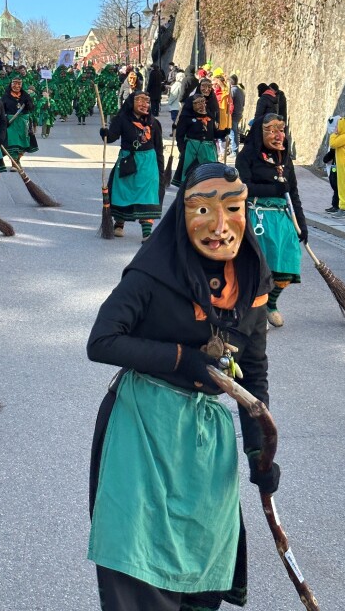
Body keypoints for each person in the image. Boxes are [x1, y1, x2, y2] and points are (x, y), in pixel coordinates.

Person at [87, 162, 276, 611]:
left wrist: (259, 451)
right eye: (202, 209)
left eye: (232, 209)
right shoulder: (153, 273)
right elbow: (102, 341)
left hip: (206, 443)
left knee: (202, 560)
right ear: (182, 213)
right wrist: (180, 359)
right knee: (138, 559)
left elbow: (254, 370)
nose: (219, 225)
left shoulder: (251, 281)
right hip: (142, 428)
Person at [236, 113, 307, 328]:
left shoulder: (285, 159)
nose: (278, 135)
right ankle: (255, 310)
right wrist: (273, 188)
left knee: (288, 265)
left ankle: (270, 303)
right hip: (256, 216)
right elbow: (243, 187)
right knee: (260, 268)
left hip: (282, 218)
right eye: (272, 130)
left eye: (281, 130)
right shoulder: (247, 156)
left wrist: (301, 223)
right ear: (260, 132)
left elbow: (292, 192)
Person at [101, 91, 164, 242]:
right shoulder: (122, 119)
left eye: (147, 101)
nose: (144, 104)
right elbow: (111, 138)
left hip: (148, 164)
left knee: (147, 195)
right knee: (122, 192)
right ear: (131, 103)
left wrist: (161, 170)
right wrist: (104, 133)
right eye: (140, 100)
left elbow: (158, 148)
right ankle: (119, 224)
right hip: (127, 160)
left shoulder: (153, 123)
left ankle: (146, 232)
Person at [172, 90, 220, 189]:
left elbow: (214, 133)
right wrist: (182, 149)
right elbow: (180, 135)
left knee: (208, 175)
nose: (201, 105)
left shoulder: (209, 116)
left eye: (203, 102)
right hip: (192, 150)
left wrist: (225, 132)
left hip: (208, 150)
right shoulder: (186, 117)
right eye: (198, 103)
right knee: (190, 176)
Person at [2, 74, 37, 165]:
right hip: (11, 122)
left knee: (23, 144)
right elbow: (1, 110)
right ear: (11, 84)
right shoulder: (5, 96)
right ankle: (15, 163)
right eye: (14, 84)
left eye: (19, 84)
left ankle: (17, 159)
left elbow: (31, 108)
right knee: (13, 142)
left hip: (23, 123)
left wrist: (29, 103)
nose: (16, 86)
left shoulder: (26, 96)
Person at [329, 116, 345, 218]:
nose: (336, 128)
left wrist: (334, 134)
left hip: (344, 164)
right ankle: (343, 206)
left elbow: (333, 144)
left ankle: (344, 208)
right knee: (343, 185)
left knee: (343, 186)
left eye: (338, 126)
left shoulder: (344, 137)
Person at [213, 72, 232, 160]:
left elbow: (230, 104)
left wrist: (221, 83)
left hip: (222, 118)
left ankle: (222, 153)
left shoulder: (225, 93)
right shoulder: (212, 93)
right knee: (214, 138)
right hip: (213, 118)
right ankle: (216, 153)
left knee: (221, 137)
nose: (215, 85)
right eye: (214, 84)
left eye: (216, 84)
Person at [229, 76, 245, 153]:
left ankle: (234, 150)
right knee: (235, 132)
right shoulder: (241, 90)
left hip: (233, 114)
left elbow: (230, 103)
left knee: (233, 132)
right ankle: (234, 149)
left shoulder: (232, 90)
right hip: (239, 113)